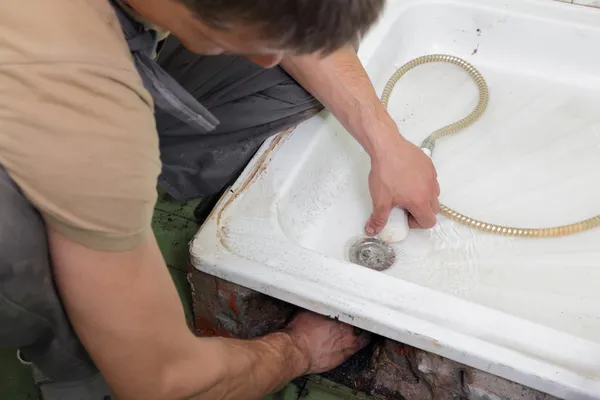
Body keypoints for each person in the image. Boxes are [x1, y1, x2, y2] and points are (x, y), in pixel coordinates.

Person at [0, 0, 440, 399]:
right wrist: (297, 350)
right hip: (41, 148)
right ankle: (74, 366)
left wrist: (386, 143)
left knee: (298, 60)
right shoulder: (73, 93)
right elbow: (164, 381)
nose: (270, 56)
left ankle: (110, 197)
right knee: (25, 240)